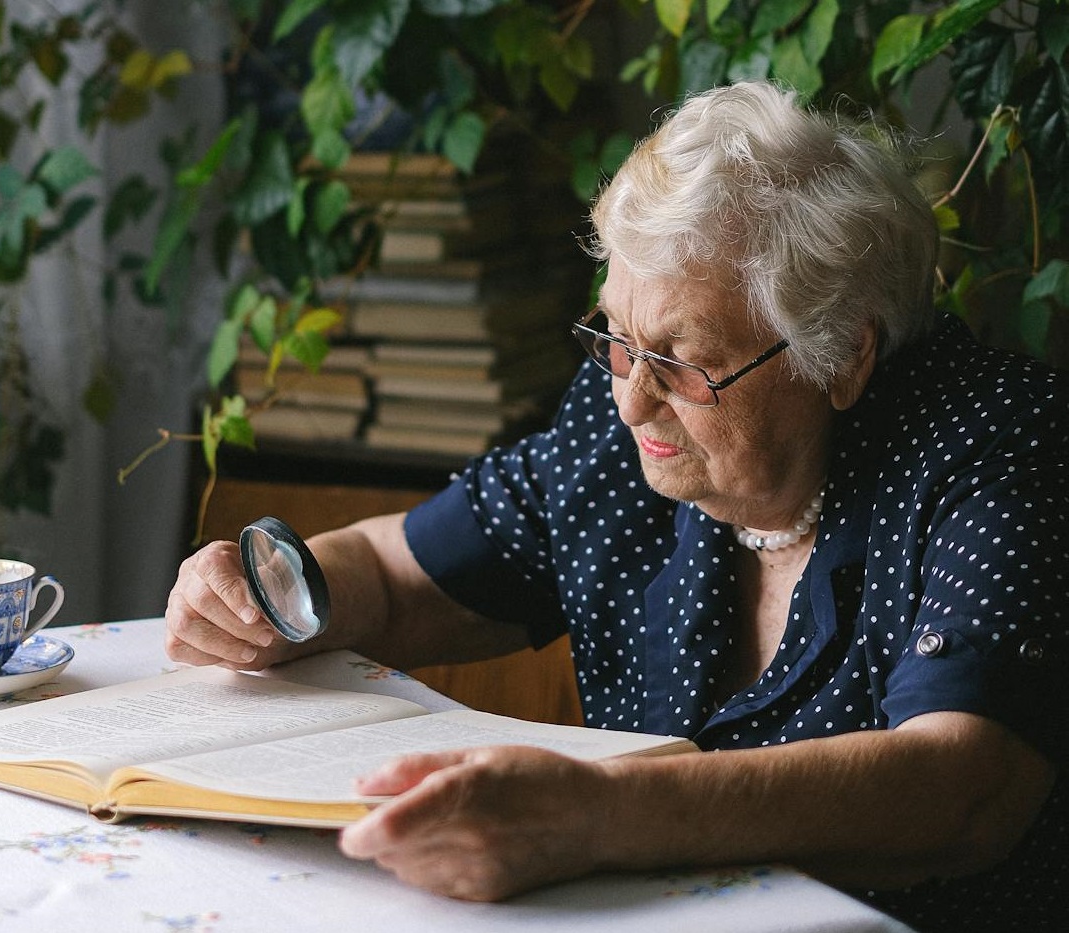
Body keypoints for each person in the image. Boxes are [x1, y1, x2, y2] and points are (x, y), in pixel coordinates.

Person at [165, 81, 1067, 931]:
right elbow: (400, 579)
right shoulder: (619, 424)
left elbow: (965, 786)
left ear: (840, 356)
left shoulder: (996, 445)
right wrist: (267, 590)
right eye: (616, 338)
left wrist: (597, 815)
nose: (632, 396)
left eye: (680, 358)